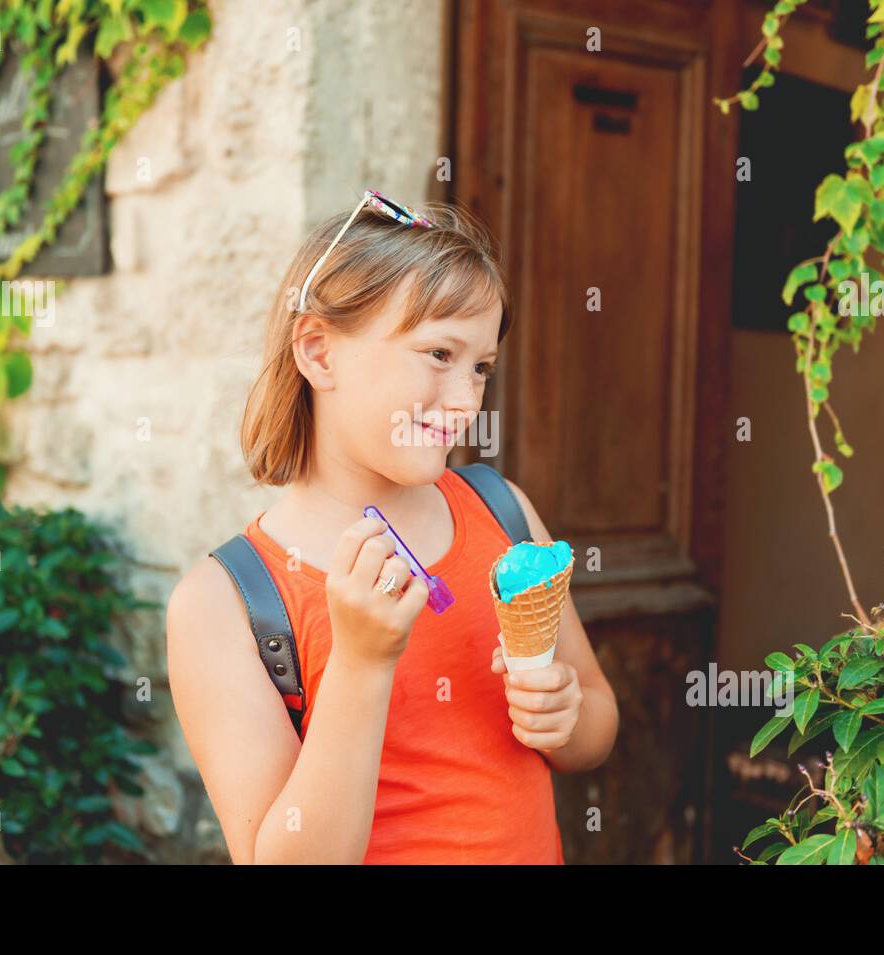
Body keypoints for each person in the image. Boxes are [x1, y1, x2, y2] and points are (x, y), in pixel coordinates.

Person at [165, 190, 618, 864]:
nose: (467, 399)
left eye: (481, 367)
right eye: (439, 354)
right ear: (319, 352)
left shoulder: (503, 510)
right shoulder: (223, 602)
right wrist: (361, 663)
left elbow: (596, 715)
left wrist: (564, 719)